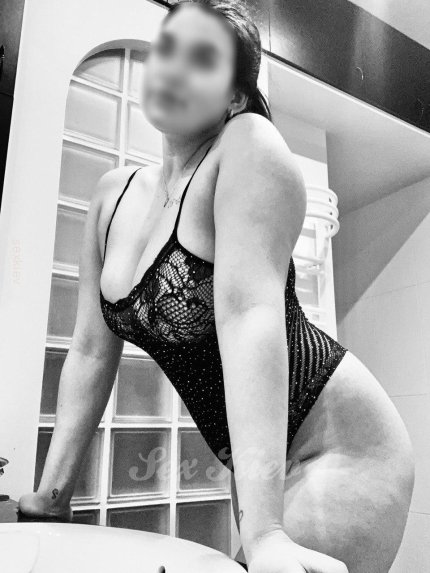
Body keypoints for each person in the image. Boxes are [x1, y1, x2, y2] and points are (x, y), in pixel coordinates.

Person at [19, 1, 415, 572]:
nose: (173, 67)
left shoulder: (246, 143)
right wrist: (51, 497)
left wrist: (267, 532)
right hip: (260, 461)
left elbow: (250, 316)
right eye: (167, 49)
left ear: (233, 98)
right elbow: (88, 351)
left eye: (201, 59)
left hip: (340, 449)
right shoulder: (111, 195)